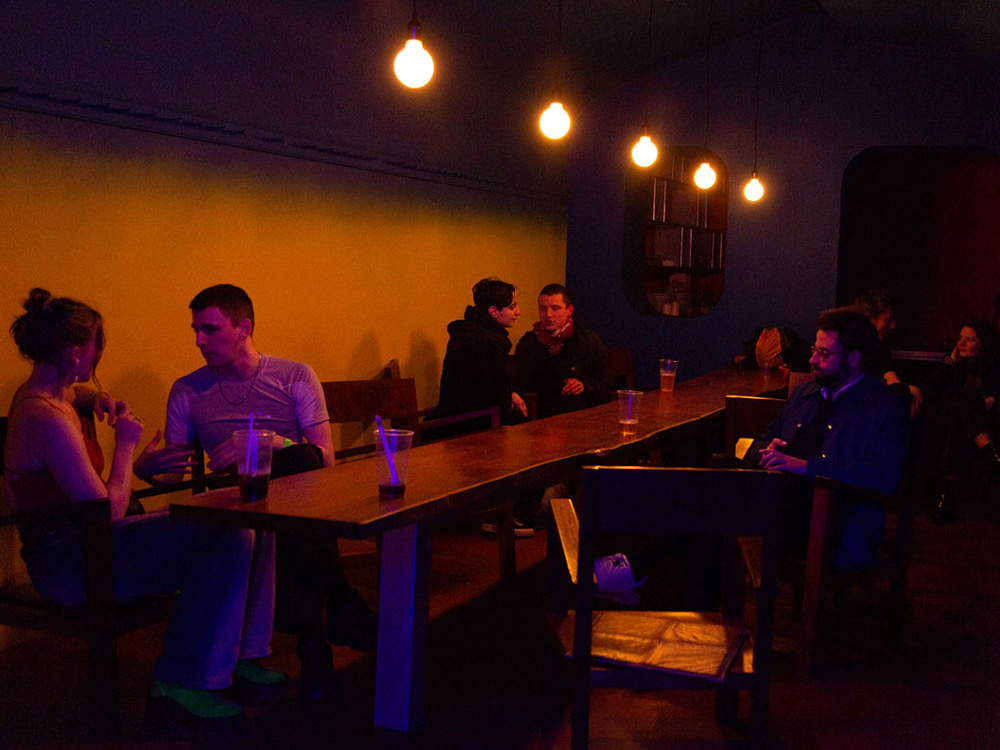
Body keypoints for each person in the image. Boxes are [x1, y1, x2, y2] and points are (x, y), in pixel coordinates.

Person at [3, 288, 282, 730]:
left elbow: (79, 397)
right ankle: (178, 685)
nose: (95, 364)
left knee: (237, 523)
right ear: (76, 354)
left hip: (85, 547)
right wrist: (126, 449)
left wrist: (101, 400)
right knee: (228, 534)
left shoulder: (48, 392)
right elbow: (105, 513)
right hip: (71, 563)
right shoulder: (45, 418)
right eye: (95, 351)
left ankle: (221, 666)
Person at [134, 284, 375, 702]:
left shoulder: (294, 375)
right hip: (236, 503)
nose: (198, 341)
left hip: (299, 498)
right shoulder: (188, 391)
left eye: (210, 329)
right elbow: (180, 476)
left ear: (243, 328)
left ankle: (316, 636)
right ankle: (330, 616)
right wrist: (145, 468)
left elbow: (324, 458)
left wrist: (266, 441)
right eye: (195, 330)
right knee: (284, 520)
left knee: (296, 466)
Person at [597, 307, 911, 602]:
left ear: (855, 358)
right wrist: (767, 451)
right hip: (777, 500)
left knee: (718, 495)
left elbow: (887, 476)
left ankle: (641, 571)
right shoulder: (806, 394)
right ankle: (684, 607)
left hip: (831, 520)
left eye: (824, 353)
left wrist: (807, 467)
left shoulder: (883, 405)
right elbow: (764, 439)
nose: (813, 359)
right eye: (815, 350)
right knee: (720, 498)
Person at [921, 320, 1000, 523]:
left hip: (964, 428)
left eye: (969, 340)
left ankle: (946, 497)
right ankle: (988, 451)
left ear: (982, 344)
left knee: (961, 413)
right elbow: (928, 391)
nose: (962, 343)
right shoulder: (951, 366)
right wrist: (950, 362)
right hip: (941, 423)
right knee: (963, 403)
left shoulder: (991, 369)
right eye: (960, 338)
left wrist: (993, 399)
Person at [432, 277, 527, 425]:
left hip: (462, 419)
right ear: (494, 311)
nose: (518, 312)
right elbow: (489, 398)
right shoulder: (484, 343)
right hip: (467, 426)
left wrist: (511, 393)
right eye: (512, 306)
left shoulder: (471, 333)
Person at [514, 283, 612, 419]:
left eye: (555, 309)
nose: (548, 315)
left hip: (580, 417)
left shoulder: (587, 341)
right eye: (543, 309)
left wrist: (583, 386)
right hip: (541, 418)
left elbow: (606, 386)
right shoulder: (529, 343)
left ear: (569, 310)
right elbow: (522, 386)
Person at [852, 288, 923, 416]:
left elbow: (892, 381)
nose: (893, 326)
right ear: (871, 319)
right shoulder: (849, 348)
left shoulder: (879, 348)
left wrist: (908, 390)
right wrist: (909, 389)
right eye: (888, 320)